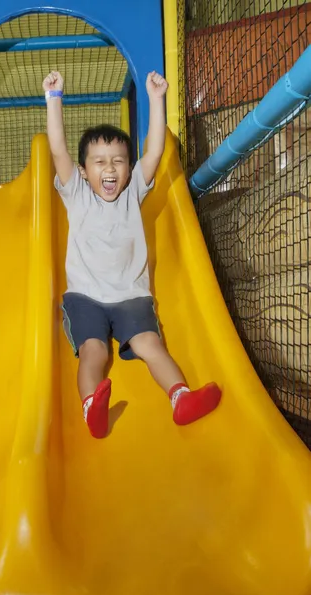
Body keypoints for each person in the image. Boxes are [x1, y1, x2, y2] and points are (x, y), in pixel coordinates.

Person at [43, 70, 221, 439]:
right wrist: (54, 98)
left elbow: (154, 150)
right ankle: (92, 404)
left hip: (131, 297)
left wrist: (157, 99)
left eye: (118, 161)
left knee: (150, 344)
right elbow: (58, 148)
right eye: (99, 161)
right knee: (95, 352)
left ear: (128, 169)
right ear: (83, 170)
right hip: (85, 298)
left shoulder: (133, 192)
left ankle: (181, 398)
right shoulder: (75, 193)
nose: (110, 168)